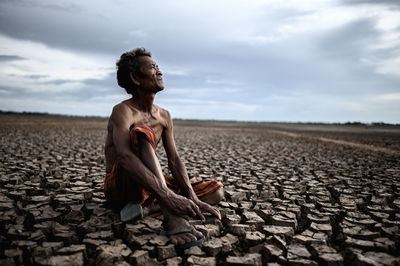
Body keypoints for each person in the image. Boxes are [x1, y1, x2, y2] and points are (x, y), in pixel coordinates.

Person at [104, 48, 224, 249]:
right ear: (135, 77)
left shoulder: (165, 115)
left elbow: (174, 160)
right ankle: (170, 215)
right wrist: (169, 197)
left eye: (158, 67)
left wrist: (192, 197)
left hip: (149, 184)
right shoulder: (123, 111)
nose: (159, 72)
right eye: (152, 68)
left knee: (215, 192)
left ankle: (147, 211)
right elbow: (124, 157)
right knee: (142, 133)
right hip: (122, 184)